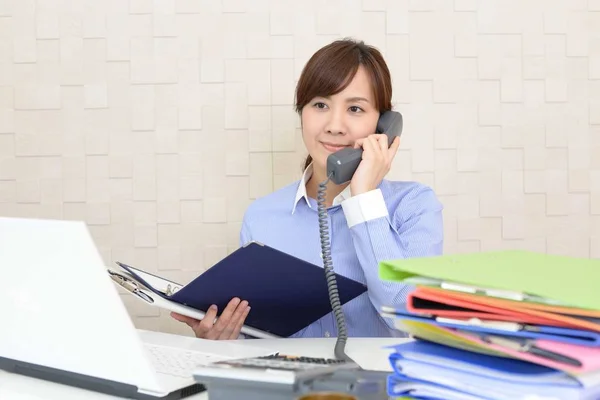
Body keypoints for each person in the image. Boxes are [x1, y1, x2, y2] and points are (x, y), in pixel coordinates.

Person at [171, 38, 444, 340]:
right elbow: (259, 337)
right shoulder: (261, 217)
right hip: (286, 387)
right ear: (302, 112)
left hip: (376, 386)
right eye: (320, 105)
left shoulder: (414, 206)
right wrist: (224, 339)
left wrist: (364, 197)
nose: (335, 125)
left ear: (384, 125)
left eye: (355, 108)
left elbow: (411, 317)